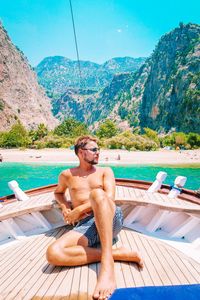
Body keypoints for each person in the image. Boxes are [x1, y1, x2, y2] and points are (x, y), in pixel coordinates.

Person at [46, 136, 143, 300]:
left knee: (98, 194)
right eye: (94, 150)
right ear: (81, 153)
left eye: (98, 149)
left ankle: (107, 265)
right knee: (53, 253)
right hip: (86, 226)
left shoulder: (105, 171)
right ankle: (119, 253)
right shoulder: (66, 175)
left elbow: (109, 197)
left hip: (111, 217)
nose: (98, 153)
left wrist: (78, 210)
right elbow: (58, 192)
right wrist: (65, 207)